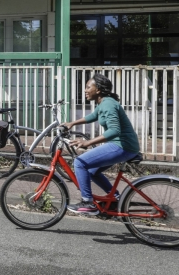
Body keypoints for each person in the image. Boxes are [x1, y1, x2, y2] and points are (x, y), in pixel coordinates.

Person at [60, 73, 140, 215]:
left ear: (98, 90)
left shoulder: (108, 104)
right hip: (123, 145)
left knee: (80, 162)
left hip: (122, 145)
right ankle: (116, 199)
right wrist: (72, 123)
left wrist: (88, 142)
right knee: (92, 171)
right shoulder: (104, 102)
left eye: (87, 87)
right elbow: (93, 116)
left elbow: (115, 130)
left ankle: (87, 202)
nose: (85, 90)